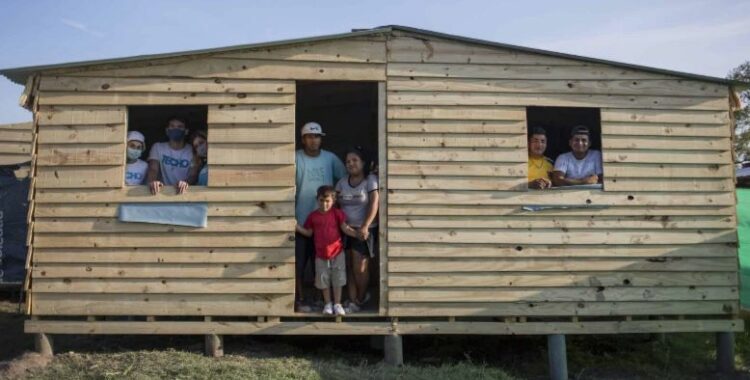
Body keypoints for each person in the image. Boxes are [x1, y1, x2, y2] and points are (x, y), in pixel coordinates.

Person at [294, 122, 347, 311]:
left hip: (326, 224)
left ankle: (320, 300)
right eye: (309, 136)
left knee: (323, 265)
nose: (313, 140)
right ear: (303, 139)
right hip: (301, 221)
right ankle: (299, 299)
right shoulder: (295, 158)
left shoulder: (330, 158)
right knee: (299, 264)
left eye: (316, 136)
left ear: (321, 139)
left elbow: (343, 180)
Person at [296, 185, 358, 316]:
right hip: (320, 255)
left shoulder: (337, 214)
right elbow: (308, 233)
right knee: (323, 279)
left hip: (337, 252)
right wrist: (296, 226)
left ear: (333, 200)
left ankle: (337, 304)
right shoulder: (312, 216)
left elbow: (345, 228)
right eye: (321, 201)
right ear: (316, 199)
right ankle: (328, 304)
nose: (324, 204)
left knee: (338, 279)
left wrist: (358, 234)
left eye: (327, 201)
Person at [335, 147, 379, 313]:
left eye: (355, 160)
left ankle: (361, 297)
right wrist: (342, 226)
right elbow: (335, 206)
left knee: (360, 267)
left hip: (365, 230)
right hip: (346, 229)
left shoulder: (371, 180)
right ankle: (353, 300)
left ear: (363, 163)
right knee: (349, 265)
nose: (351, 164)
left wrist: (366, 226)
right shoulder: (341, 182)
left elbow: (375, 203)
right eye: (348, 161)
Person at [145, 117, 200, 194]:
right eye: (172, 126)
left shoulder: (192, 149)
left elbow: (193, 174)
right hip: (162, 191)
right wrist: (152, 182)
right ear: (167, 130)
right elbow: (153, 169)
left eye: (180, 127)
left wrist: (185, 183)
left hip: (183, 192)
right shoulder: (158, 147)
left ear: (186, 131)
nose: (175, 129)